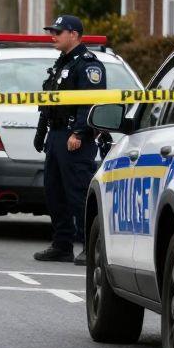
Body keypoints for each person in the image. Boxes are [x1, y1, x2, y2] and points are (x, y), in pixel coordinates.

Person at [33, 15, 106, 265]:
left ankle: (89, 246)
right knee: (54, 193)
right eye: (52, 31)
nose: (53, 35)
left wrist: (80, 132)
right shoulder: (62, 63)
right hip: (56, 135)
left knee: (78, 193)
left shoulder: (87, 65)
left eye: (58, 32)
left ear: (73, 34)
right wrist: (42, 132)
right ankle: (61, 245)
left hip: (73, 137)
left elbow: (90, 102)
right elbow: (50, 101)